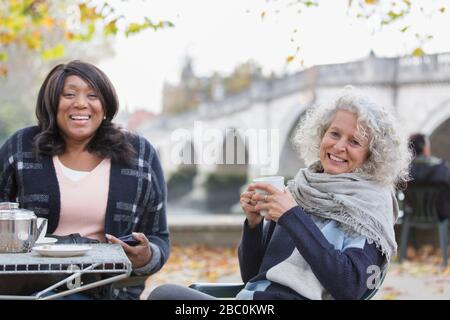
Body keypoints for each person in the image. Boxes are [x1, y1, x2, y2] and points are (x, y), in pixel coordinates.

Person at [148, 85, 412, 300]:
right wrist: (253, 225)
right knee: (165, 295)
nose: (339, 146)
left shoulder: (369, 209)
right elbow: (253, 275)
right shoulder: (301, 190)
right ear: (321, 135)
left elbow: (350, 288)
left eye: (354, 141)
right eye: (334, 134)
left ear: (372, 155)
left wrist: (292, 216)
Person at [0, 60, 170, 299]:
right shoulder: (21, 147)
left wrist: (146, 257)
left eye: (93, 95)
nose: (80, 103)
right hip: (32, 286)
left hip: (109, 287)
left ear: (105, 104)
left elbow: (158, 236)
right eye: (69, 94)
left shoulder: (140, 153)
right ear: (52, 102)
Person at [407, 133, 450, 220]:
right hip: (440, 214)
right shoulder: (442, 168)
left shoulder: (404, 171)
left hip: (412, 213)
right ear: (425, 148)